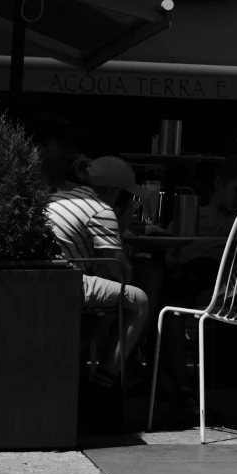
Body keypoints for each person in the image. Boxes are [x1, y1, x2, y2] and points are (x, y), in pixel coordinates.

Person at [42, 139, 149, 379]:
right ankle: (106, 380)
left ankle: (75, 357)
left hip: (47, 278)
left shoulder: (66, 196)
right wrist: (120, 225)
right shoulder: (101, 209)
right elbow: (122, 273)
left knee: (110, 298)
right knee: (138, 300)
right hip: (66, 283)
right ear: (114, 192)